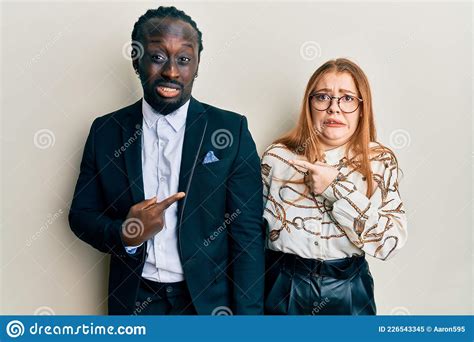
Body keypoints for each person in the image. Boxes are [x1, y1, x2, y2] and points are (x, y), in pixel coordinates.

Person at [69, 6, 264, 315]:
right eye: (158, 57)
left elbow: (247, 233)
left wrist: (249, 322)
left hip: (209, 305)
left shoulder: (230, 130)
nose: (172, 72)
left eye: (184, 60)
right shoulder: (105, 131)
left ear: (197, 66)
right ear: (137, 60)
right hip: (134, 300)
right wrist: (127, 232)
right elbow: (81, 215)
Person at [261, 58, 407, 315]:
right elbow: (250, 234)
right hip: (283, 286)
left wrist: (337, 188)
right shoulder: (277, 157)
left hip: (349, 288)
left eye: (347, 98)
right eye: (323, 97)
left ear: (363, 107)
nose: (334, 109)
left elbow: (388, 244)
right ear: (309, 105)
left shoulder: (380, 162)